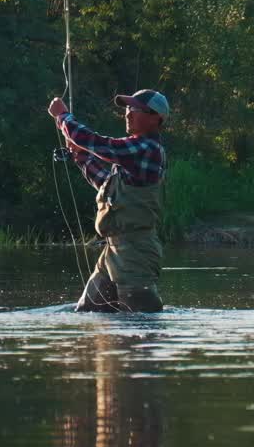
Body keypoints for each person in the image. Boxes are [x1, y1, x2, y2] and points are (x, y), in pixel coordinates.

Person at [47, 89, 168, 312]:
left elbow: (104, 145)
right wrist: (81, 156)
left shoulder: (147, 149)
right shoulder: (131, 157)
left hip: (136, 254)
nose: (128, 114)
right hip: (113, 251)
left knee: (142, 324)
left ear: (155, 118)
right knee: (87, 312)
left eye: (136, 109)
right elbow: (105, 183)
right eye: (127, 108)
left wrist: (63, 117)